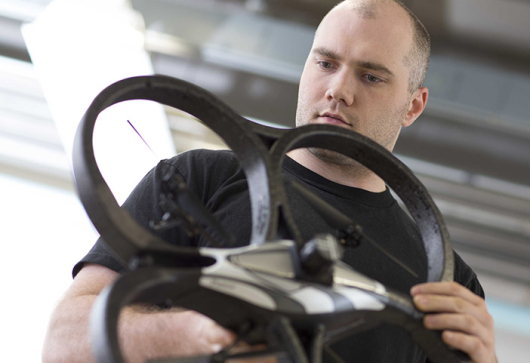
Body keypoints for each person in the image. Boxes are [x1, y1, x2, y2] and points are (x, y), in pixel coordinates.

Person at [42, 0, 498, 362]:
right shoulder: (198, 179)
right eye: (325, 63)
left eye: (371, 76)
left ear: (413, 106)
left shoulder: (447, 282)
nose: (339, 89)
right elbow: (64, 343)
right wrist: (199, 332)